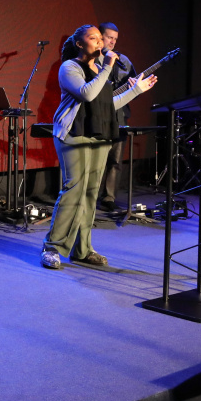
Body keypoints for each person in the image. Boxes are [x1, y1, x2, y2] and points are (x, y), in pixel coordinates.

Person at [41, 25, 156, 269]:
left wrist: (136, 90)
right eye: (93, 38)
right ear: (80, 44)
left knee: (91, 193)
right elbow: (87, 94)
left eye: (99, 39)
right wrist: (106, 69)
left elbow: (107, 105)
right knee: (74, 189)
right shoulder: (70, 67)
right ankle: (52, 247)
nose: (99, 42)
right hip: (74, 134)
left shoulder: (102, 70)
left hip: (100, 134)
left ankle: (82, 250)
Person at [96, 22, 135, 212]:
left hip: (120, 116)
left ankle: (109, 197)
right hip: (97, 116)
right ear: (100, 36)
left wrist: (135, 87)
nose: (112, 42)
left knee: (116, 159)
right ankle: (90, 195)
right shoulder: (92, 59)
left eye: (115, 39)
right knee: (96, 158)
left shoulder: (124, 61)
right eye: (109, 37)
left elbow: (134, 87)